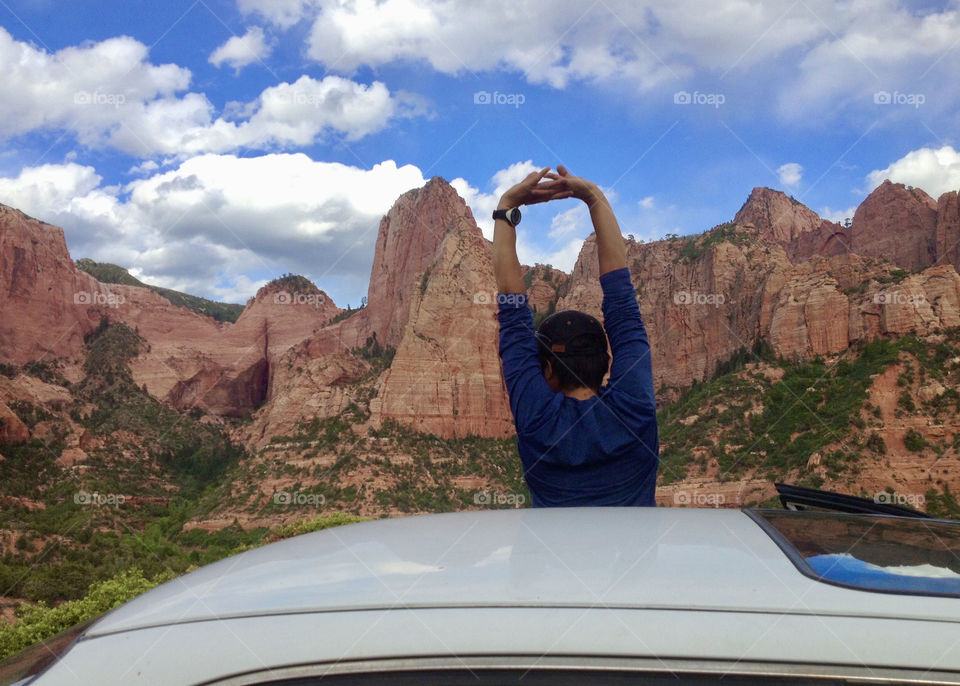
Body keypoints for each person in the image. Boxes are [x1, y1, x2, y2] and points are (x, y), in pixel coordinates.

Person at [492, 165, 659, 507]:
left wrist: (507, 207)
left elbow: (513, 316)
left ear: (548, 371)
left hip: (550, 560)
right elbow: (623, 308)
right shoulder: (634, 409)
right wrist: (593, 197)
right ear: (607, 361)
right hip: (636, 562)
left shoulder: (537, 418)